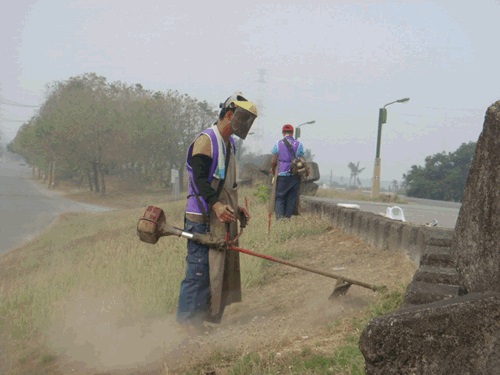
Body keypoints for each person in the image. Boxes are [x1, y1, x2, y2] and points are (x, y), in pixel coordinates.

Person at [177, 92, 257, 329]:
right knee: (199, 273)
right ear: (230, 115)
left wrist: (235, 206)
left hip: (218, 216)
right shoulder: (206, 141)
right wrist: (216, 204)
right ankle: (184, 327)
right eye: (244, 120)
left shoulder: (229, 143)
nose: (245, 126)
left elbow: (224, 183)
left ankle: (200, 323)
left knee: (215, 274)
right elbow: (200, 181)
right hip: (201, 217)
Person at [269, 124, 306, 219]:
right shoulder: (299, 144)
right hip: (294, 175)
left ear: (283, 133)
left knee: (280, 197)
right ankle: (287, 218)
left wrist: (273, 169)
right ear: (292, 133)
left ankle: (280, 219)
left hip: (282, 174)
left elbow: (273, 160)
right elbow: (302, 159)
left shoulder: (278, 144)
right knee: (291, 198)